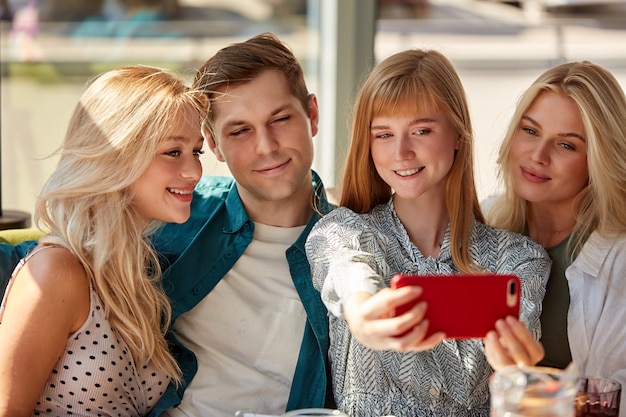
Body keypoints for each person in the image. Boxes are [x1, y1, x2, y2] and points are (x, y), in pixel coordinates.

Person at [0, 33, 335, 417]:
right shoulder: (174, 220)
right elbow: (35, 268)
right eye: (240, 130)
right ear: (217, 143)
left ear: (312, 114)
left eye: (280, 119)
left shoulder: (349, 243)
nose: (193, 171)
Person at [305, 49, 551, 417]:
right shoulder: (342, 232)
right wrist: (363, 314)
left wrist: (519, 370)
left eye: (421, 130)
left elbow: (524, 367)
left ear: (457, 135)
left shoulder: (519, 259)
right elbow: (350, 274)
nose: (402, 152)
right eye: (384, 134)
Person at [0, 65, 208, 416]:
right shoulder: (57, 271)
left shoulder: (133, 269)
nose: (194, 171)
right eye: (174, 152)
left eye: (197, 152)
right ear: (118, 154)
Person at [482, 61, 626, 414]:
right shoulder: (484, 222)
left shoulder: (619, 258)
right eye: (530, 131)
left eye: (566, 145)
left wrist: (532, 382)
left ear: (599, 161)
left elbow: (613, 397)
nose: (538, 155)